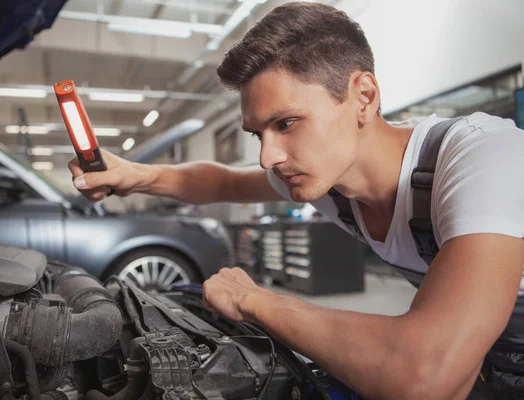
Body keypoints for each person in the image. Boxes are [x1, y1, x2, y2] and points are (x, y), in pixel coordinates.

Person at [68, 2, 524, 399]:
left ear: (363, 96)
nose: (268, 157)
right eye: (257, 134)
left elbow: (426, 378)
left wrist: (256, 301)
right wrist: (133, 175)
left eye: (286, 124)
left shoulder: (482, 158)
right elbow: (224, 183)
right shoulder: (328, 180)